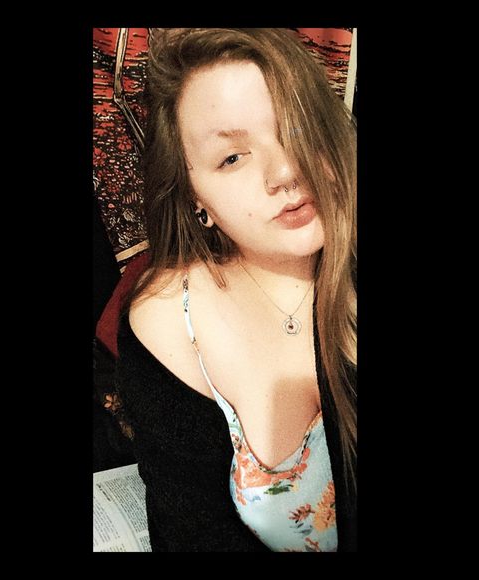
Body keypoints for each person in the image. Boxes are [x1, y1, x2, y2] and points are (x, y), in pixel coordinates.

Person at [115, 28, 357, 552]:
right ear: (194, 197)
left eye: (296, 128)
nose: (285, 172)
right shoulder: (171, 322)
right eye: (231, 158)